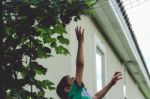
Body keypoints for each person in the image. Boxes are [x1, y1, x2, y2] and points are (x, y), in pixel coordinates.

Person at [56, 26, 122, 99]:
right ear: (67, 89)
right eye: (72, 79)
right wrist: (80, 42)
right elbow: (80, 65)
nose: (74, 77)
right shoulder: (74, 92)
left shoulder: (81, 93)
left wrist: (111, 83)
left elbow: (96, 96)